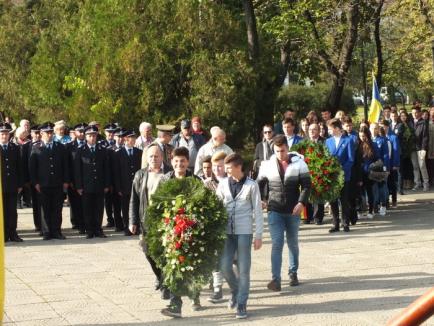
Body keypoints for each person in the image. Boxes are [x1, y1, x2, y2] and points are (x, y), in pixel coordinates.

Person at [257, 135, 311, 291]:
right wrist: (261, 199)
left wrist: (301, 202)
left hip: (293, 209)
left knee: (293, 242)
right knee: (277, 243)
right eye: (277, 151)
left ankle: (293, 272)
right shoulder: (267, 165)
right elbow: (258, 185)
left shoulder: (300, 163)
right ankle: (276, 279)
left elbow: (307, 186)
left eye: (283, 150)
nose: (280, 154)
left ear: (288, 148)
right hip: (275, 209)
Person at [216, 153, 263, 319]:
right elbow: (217, 207)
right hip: (226, 232)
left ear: (238, 167)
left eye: (229, 168)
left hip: (244, 232)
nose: (226, 171)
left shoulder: (252, 185)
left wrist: (258, 235)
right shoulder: (222, 184)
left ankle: (242, 303)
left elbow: (257, 210)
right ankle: (235, 290)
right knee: (224, 265)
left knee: (244, 269)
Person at [160, 147, 202, 318]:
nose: (179, 164)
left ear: (188, 162)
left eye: (183, 161)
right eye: (176, 161)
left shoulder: (195, 180)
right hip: (171, 230)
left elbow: (202, 204)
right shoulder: (165, 180)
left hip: (191, 229)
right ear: (171, 162)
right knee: (174, 266)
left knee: (191, 266)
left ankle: (195, 294)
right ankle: (176, 305)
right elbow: (158, 203)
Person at [129, 144, 172, 297]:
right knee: (148, 252)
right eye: (151, 156)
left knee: (166, 253)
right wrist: (132, 220)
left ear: (162, 157)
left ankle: (167, 285)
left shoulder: (169, 173)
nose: (154, 159)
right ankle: (160, 277)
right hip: (147, 220)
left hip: (166, 220)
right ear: (147, 158)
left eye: (157, 156)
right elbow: (134, 199)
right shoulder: (140, 174)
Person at [29, 122, 69, 240]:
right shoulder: (36, 148)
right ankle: (46, 232)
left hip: (57, 183)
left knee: (57, 209)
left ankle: (56, 231)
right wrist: (35, 182)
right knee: (45, 209)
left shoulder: (60, 147)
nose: (49, 135)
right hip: (43, 184)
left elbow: (65, 165)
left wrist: (66, 181)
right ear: (41, 134)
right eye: (47, 133)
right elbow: (32, 167)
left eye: (51, 132)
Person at [74, 125, 110, 239]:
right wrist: (79, 186)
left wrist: (106, 184)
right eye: (90, 135)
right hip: (86, 185)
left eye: (94, 135)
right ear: (85, 137)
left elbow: (106, 169)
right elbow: (77, 170)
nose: (92, 138)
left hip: (99, 184)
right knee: (87, 208)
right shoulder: (80, 151)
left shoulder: (102, 150)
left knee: (99, 208)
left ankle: (98, 229)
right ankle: (89, 230)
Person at [204, 151, 227, 303]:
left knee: (235, 259)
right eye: (215, 166)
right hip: (215, 227)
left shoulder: (233, 181)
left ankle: (238, 286)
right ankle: (218, 289)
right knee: (216, 258)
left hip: (233, 226)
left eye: (220, 166)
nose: (217, 169)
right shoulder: (206, 184)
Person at [325, 118, 354, 232]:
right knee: (333, 200)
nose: (329, 131)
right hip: (331, 176)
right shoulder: (328, 141)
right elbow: (325, 158)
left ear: (337, 128)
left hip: (343, 176)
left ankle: (345, 223)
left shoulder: (348, 140)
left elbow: (351, 159)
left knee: (344, 200)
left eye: (330, 129)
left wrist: (340, 170)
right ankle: (335, 223)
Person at [114, 130, 142, 236]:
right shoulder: (118, 154)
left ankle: (137, 227)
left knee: (137, 206)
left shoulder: (139, 152)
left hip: (136, 186)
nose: (134, 140)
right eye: (131, 138)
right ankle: (127, 227)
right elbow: (116, 172)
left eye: (134, 137)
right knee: (125, 208)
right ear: (126, 139)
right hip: (124, 186)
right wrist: (118, 188)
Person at [0, 122, 23, 242]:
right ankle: (3, 235)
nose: (4, 136)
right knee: (2, 212)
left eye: (6, 134)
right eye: (2, 134)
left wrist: (20, 184)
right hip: (0, 186)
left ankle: (13, 233)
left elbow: (19, 167)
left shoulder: (14, 148)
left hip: (12, 185)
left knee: (12, 212)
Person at [65, 123, 87, 234]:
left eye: (83, 131)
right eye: (79, 131)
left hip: (87, 180)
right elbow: (67, 165)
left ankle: (86, 224)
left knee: (86, 204)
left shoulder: (90, 144)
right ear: (75, 132)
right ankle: (77, 223)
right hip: (73, 181)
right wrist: (69, 181)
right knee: (75, 204)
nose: (82, 133)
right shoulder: (69, 146)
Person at [306, 123, 325, 224]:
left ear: (318, 131)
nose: (312, 132)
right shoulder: (305, 142)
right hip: (307, 172)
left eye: (314, 130)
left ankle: (318, 217)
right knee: (307, 194)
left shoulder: (324, 142)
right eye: (310, 130)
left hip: (320, 172)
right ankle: (308, 217)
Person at [358, 127, 379, 219]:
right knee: (360, 193)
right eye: (360, 136)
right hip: (360, 172)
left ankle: (371, 210)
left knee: (370, 192)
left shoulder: (373, 145)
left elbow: (377, 158)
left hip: (370, 172)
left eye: (363, 136)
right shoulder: (357, 145)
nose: (362, 137)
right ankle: (361, 210)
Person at [379, 119, 400, 207]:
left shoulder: (393, 137)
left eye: (383, 126)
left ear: (387, 126)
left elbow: (396, 151)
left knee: (392, 183)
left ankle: (394, 200)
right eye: (380, 126)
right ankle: (386, 200)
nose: (382, 128)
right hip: (384, 165)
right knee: (385, 184)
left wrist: (395, 164)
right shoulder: (381, 137)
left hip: (392, 164)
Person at [370, 122, 390, 216]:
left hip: (381, 167)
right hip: (371, 167)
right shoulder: (368, 140)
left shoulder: (382, 140)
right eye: (372, 128)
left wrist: (386, 167)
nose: (374, 130)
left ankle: (383, 205)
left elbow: (386, 154)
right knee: (373, 188)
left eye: (376, 128)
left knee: (382, 187)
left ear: (378, 129)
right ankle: (374, 205)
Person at [410, 107, 429, 191]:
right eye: (413, 112)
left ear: (419, 113)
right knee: (415, 167)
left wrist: (423, 148)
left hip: (420, 148)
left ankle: (426, 183)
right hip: (412, 148)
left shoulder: (423, 122)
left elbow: (425, 137)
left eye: (416, 112)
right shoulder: (410, 122)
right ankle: (417, 183)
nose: (415, 114)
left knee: (422, 166)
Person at [29, 125, 42, 232]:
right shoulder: (27, 146)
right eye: (35, 133)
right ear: (31, 134)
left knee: (42, 203)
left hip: (42, 179)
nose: (37, 135)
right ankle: (38, 224)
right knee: (36, 204)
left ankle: (43, 224)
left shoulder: (42, 145)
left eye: (39, 133)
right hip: (32, 180)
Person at [399, 111, 416, 191]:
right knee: (403, 167)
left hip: (409, 149)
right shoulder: (399, 125)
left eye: (404, 116)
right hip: (402, 149)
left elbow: (413, 135)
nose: (403, 117)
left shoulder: (410, 124)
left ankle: (409, 183)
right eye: (402, 116)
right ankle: (404, 183)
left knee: (409, 166)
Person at [428, 107, 434, 186]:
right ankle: (430, 180)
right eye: (432, 110)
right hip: (428, 147)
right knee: (429, 165)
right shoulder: (426, 122)